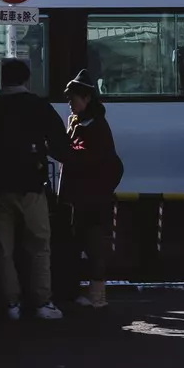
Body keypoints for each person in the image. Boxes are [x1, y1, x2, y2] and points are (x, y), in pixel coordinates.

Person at [0, 57, 71, 321]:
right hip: (31, 187)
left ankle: (11, 303)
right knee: (38, 246)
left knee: (2, 249)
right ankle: (41, 302)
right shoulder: (39, 107)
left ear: (1, 80)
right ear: (27, 80)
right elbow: (61, 147)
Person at [61, 69, 123, 309]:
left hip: (93, 198)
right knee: (81, 243)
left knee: (95, 245)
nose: (69, 103)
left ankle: (97, 297)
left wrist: (64, 152)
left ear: (86, 98)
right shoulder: (79, 122)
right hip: (81, 196)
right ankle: (87, 292)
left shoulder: (95, 126)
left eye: (72, 98)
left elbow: (88, 157)